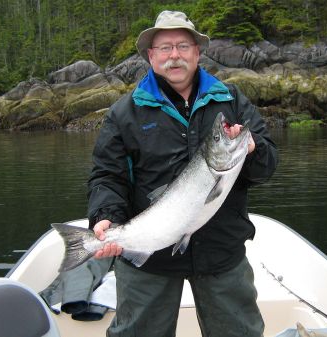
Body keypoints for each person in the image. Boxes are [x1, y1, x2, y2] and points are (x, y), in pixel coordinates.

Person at [87, 10, 278, 337]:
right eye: (164, 48)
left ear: (197, 52)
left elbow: (266, 167)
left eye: (183, 46)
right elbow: (108, 176)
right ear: (151, 55)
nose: (174, 55)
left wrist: (251, 148)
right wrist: (105, 216)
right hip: (149, 256)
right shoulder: (124, 112)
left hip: (222, 252)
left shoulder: (231, 100)